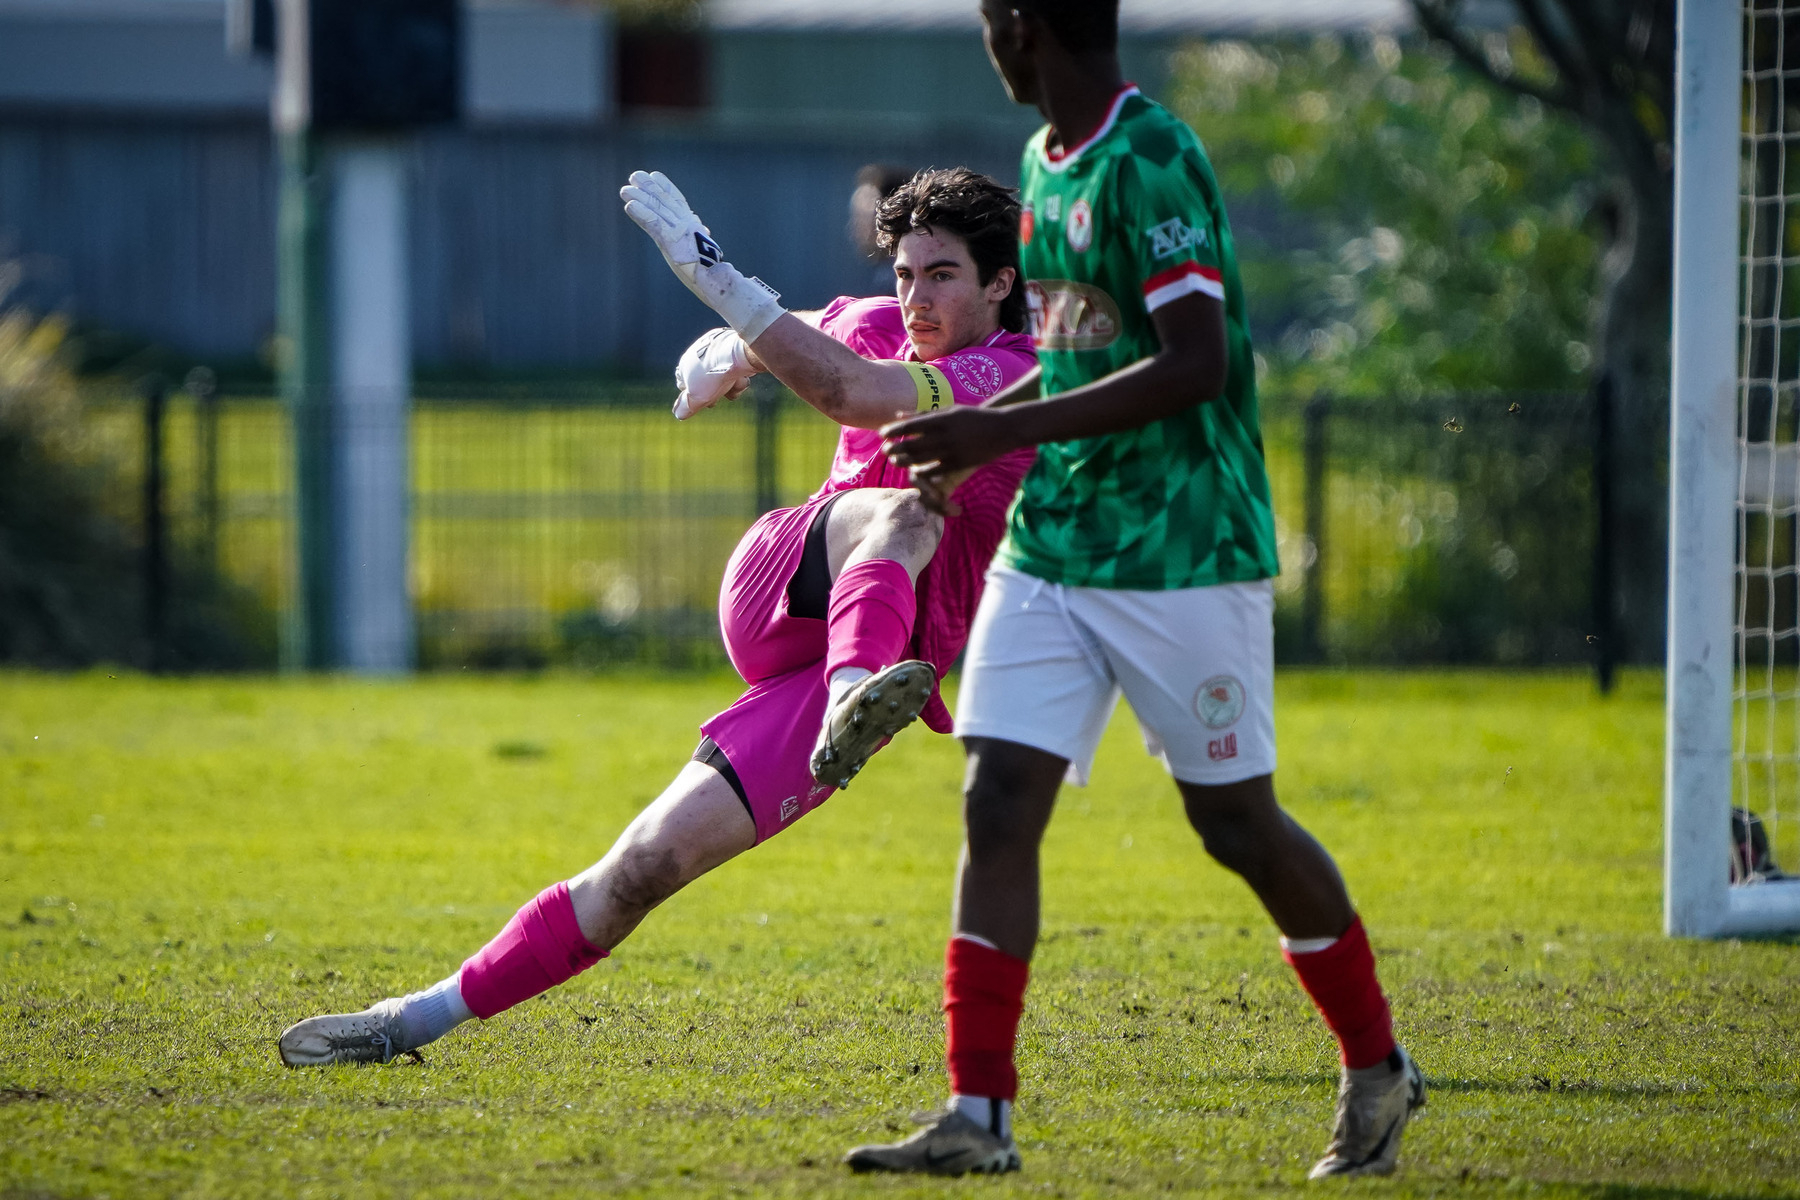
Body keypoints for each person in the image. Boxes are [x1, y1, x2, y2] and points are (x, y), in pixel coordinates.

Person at [275, 166, 1037, 1069]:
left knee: (642, 869)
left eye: (941, 275)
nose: (913, 297)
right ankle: (849, 693)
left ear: (999, 284)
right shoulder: (877, 322)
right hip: (785, 592)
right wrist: (729, 354)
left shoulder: (1017, 371)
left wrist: (718, 286)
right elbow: (803, 338)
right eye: (904, 272)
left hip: (877, 654)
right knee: (911, 506)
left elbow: (853, 392)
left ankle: (407, 1020)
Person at [842, 0, 1423, 1180]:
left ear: (1026, 22)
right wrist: (978, 429)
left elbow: (1193, 363)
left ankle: (1377, 1066)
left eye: (989, 17)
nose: (986, 38)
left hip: (1183, 549)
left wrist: (1002, 421)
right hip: (1058, 542)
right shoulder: (1043, 165)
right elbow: (1072, 355)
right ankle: (978, 1116)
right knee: (997, 797)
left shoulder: (1152, 156)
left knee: (1235, 824)